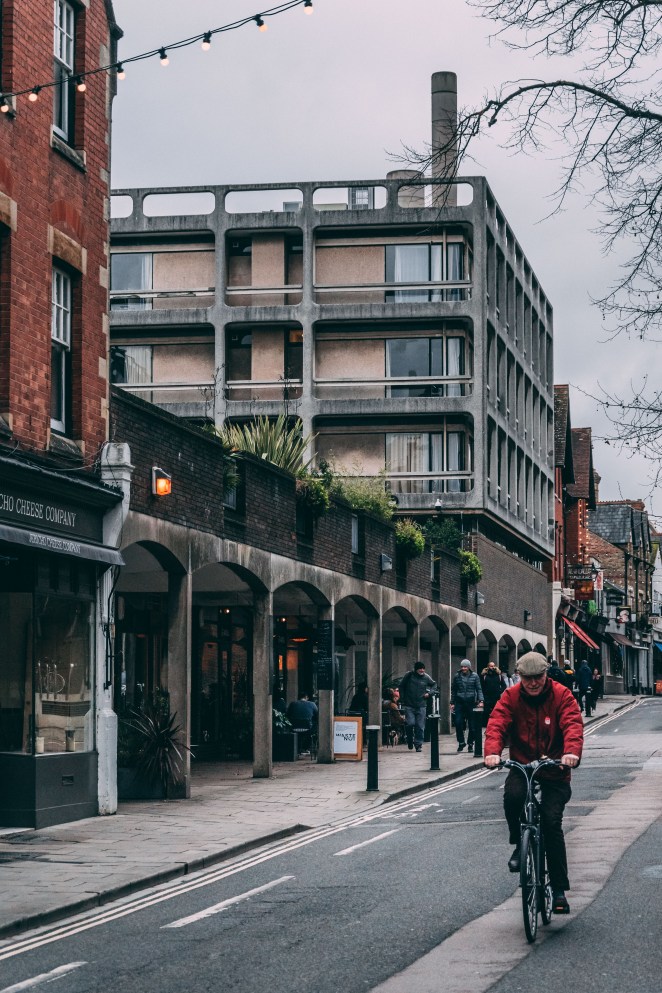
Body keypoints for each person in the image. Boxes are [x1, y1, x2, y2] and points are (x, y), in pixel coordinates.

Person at [484, 651, 584, 915]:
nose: (533, 683)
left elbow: (573, 724)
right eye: (527, 678)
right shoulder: (511, 696)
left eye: (538, 677)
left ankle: (559, 890)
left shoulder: (562, 695)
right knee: (512, 797)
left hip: (555, 767)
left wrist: (571, 753)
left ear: (546, 674)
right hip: (524, 765)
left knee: (551, 823)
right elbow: (496, 724)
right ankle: (519, 843)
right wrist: (492, 752)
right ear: (519, 676)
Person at [398, 661, 437, 752]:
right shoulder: (409, 675)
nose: (422, 670)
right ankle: (409, 739)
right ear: (416, 669)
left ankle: (418, 745)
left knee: (420, 726)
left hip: (421, 705)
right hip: (409, 705)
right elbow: (401, 686)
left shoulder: (426, 677)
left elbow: (434, 684)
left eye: (423, 669)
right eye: (420, 669)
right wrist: (403, 698)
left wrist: (429, 693)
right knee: (410, 723)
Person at [450, 660, 484, 753]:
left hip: (471, 702)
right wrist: (452, 702)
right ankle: (461, 742)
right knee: (458, 722)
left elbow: (479, 688)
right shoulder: (457, 676)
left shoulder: (475, 676)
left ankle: (470, 743)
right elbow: (454, 690)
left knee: (472, 725)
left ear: (469, 667)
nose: (463, 668)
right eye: (462, 667)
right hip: (459, 702)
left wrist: (481, 700)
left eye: (465, 667)